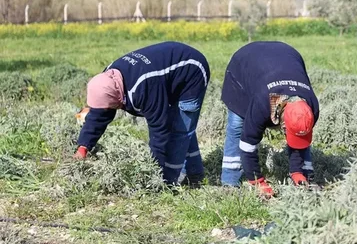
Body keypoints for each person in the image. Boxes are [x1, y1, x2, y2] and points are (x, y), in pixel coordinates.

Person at [74, 41, 210, 187]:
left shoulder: (143, 88)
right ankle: (195, 174)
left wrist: (155, 173)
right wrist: (83, 146)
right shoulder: (107, 79)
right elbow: (99, 114)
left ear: (116, 98)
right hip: (166, 73)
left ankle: (170, 183)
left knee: (180, 130)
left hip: (192, 70)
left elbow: (159, 130)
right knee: (180, 126)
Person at [219, 41, 319, 197]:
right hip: (244, 63)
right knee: (237, 125)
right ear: (283, 123)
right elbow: (248, 144)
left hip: (286, 55)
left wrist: (297, 172)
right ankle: (229, 182)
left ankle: (305, 177)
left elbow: (300, 139)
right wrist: (257, 181)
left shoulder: (311, 107)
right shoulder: (261, 104)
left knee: (300, 142)